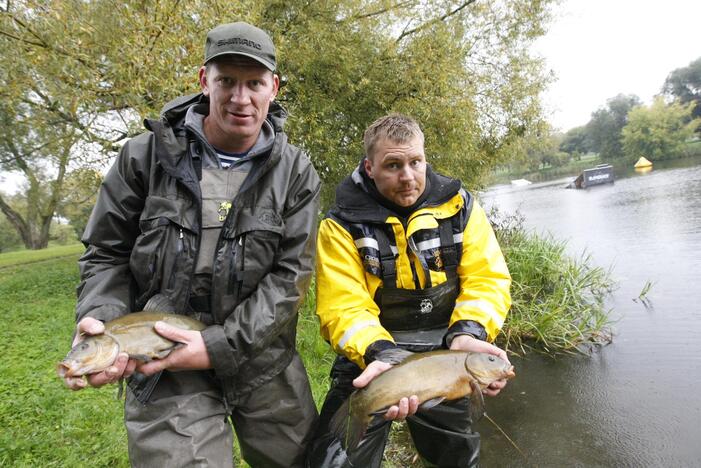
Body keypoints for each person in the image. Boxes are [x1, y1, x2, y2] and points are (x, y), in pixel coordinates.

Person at [62, 22, 320, 467]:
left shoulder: (296, 173)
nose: (241, 98)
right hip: (162, 355)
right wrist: (102, 321)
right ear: (204, 80)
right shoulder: (143, 157)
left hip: (260, 353)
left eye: (254, 83)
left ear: (273, 88)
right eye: (227, 81)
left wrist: (218, 346)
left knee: (304, 460)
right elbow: (106, 253)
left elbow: (291, 278)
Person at [306, 114, 512, 467]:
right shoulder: (340, 223)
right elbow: (344, 308)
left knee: (459, 461)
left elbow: (487, 280)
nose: (407, 176)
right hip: (370, 362)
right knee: (331, 461)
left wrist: (469, 334)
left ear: (424, 158)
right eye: (393, 165)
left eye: (415, 162)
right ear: (369, 168)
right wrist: (383, 357)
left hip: (447, 356)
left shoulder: (459, 207)